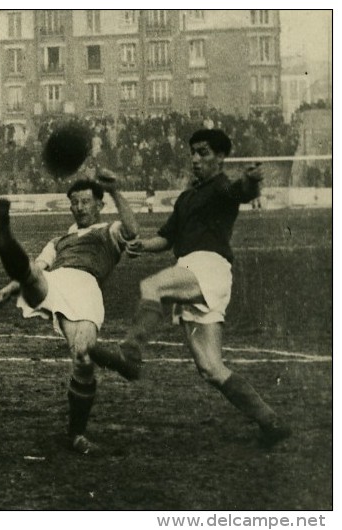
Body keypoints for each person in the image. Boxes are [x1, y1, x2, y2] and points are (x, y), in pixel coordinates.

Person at [119, 128, 291, 447]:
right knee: (211, 369)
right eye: (194, 153)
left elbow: (242, 191)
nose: (196, 159)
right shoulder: (186, 198)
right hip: (191, 270)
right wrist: (143, 245)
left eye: (204, 152)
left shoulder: (220, 186)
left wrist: (252, 180)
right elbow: (167, 238)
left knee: (152, 286)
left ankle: (131, 351)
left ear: (221, 157)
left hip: (208, 267)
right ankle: (270, 420)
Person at [0, 171, 138, 455]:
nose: (79, 208)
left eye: (85, 202)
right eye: (74, 202)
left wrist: (115, 190)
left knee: (83, 356)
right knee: (31, 272)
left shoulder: (109, 231)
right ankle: (4, 243)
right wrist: (7, 292)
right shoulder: (58, 241)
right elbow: (39, 268)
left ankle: (76, 434)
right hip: (56, 281)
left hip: (87, 286)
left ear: (99, 206)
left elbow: (132, 230)